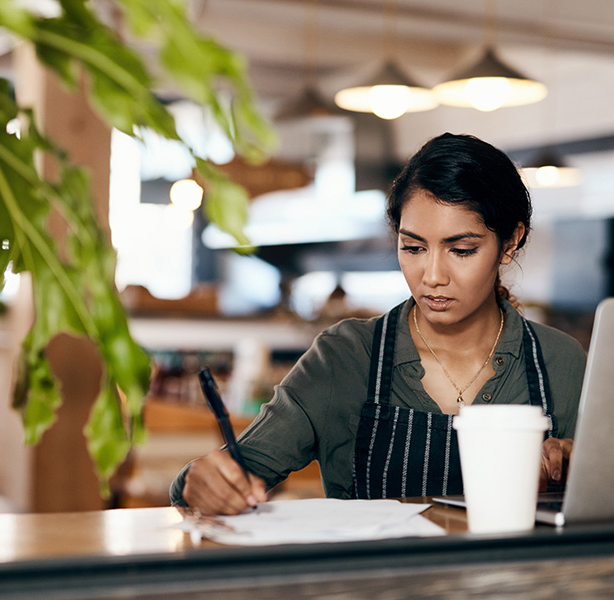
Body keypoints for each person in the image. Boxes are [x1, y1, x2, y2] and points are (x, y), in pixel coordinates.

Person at [171, 133, 587, 514]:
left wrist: (579, 471)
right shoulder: (346, 357)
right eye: (413, 247)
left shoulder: (560, 363)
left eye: (461, 249)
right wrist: (203, 482)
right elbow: (232, 472)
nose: (433, 275)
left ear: (510, 241)